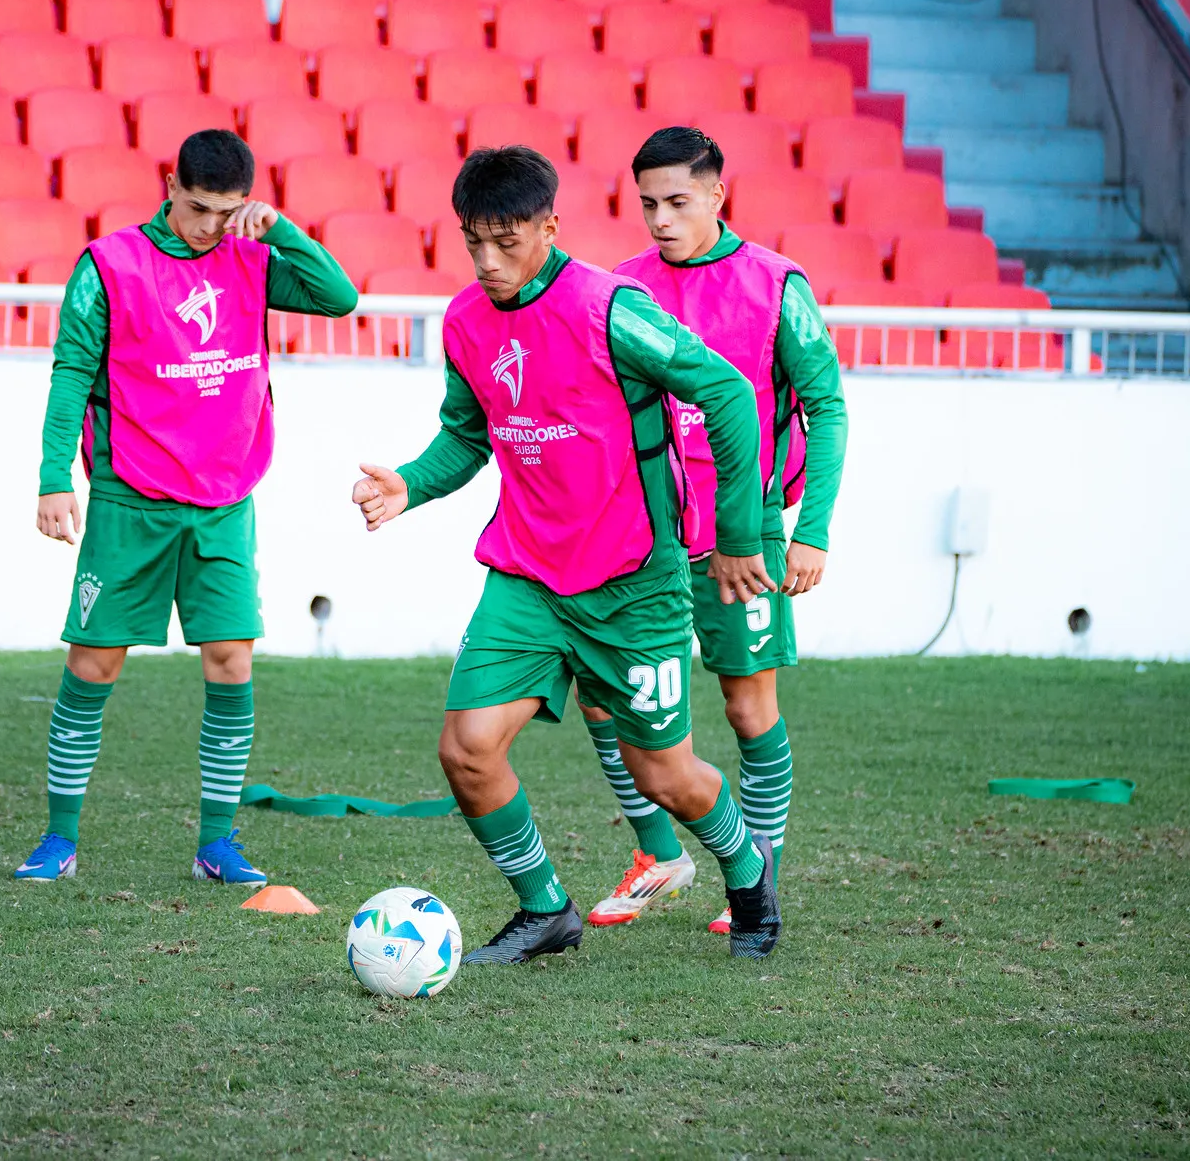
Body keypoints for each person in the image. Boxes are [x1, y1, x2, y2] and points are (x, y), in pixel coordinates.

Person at [351, 145, 784, 963]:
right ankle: (546, 908)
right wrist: (411, 482)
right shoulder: (466, 322)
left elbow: (728, 391)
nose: (487, 261)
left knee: (664, 776)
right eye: (473, 243)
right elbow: (468, 435)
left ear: (549, 226)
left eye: (506, 242)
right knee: (466, 748)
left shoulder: (610, 309)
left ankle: (748, 870)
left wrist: (737, 539)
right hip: (527, 575)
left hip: (634, 583)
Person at [18, 129, 358, 886]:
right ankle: (59, 838)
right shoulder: (110, 265)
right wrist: (52, 477)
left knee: (231, 660)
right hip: (129, 500)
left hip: (224, 502)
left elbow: (339, 297)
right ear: (170, 185)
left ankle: (216, 844)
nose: (210, 226)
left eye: (226, 212)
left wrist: (280, 230)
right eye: (199, 208)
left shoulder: (251, 257)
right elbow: (71, 372)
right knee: (94, 662)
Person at [576, 127, 848, 936]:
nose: (660, 219)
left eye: (677, 202)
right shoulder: (621, 286)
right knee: (602, 694)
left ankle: (757, 879)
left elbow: (827, 407)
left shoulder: (776, 285)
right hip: (644, 532)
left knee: (747, 707)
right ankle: (660, 853)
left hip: (744, 535)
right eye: (648, 204)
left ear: (716, 195)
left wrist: (811, 531)